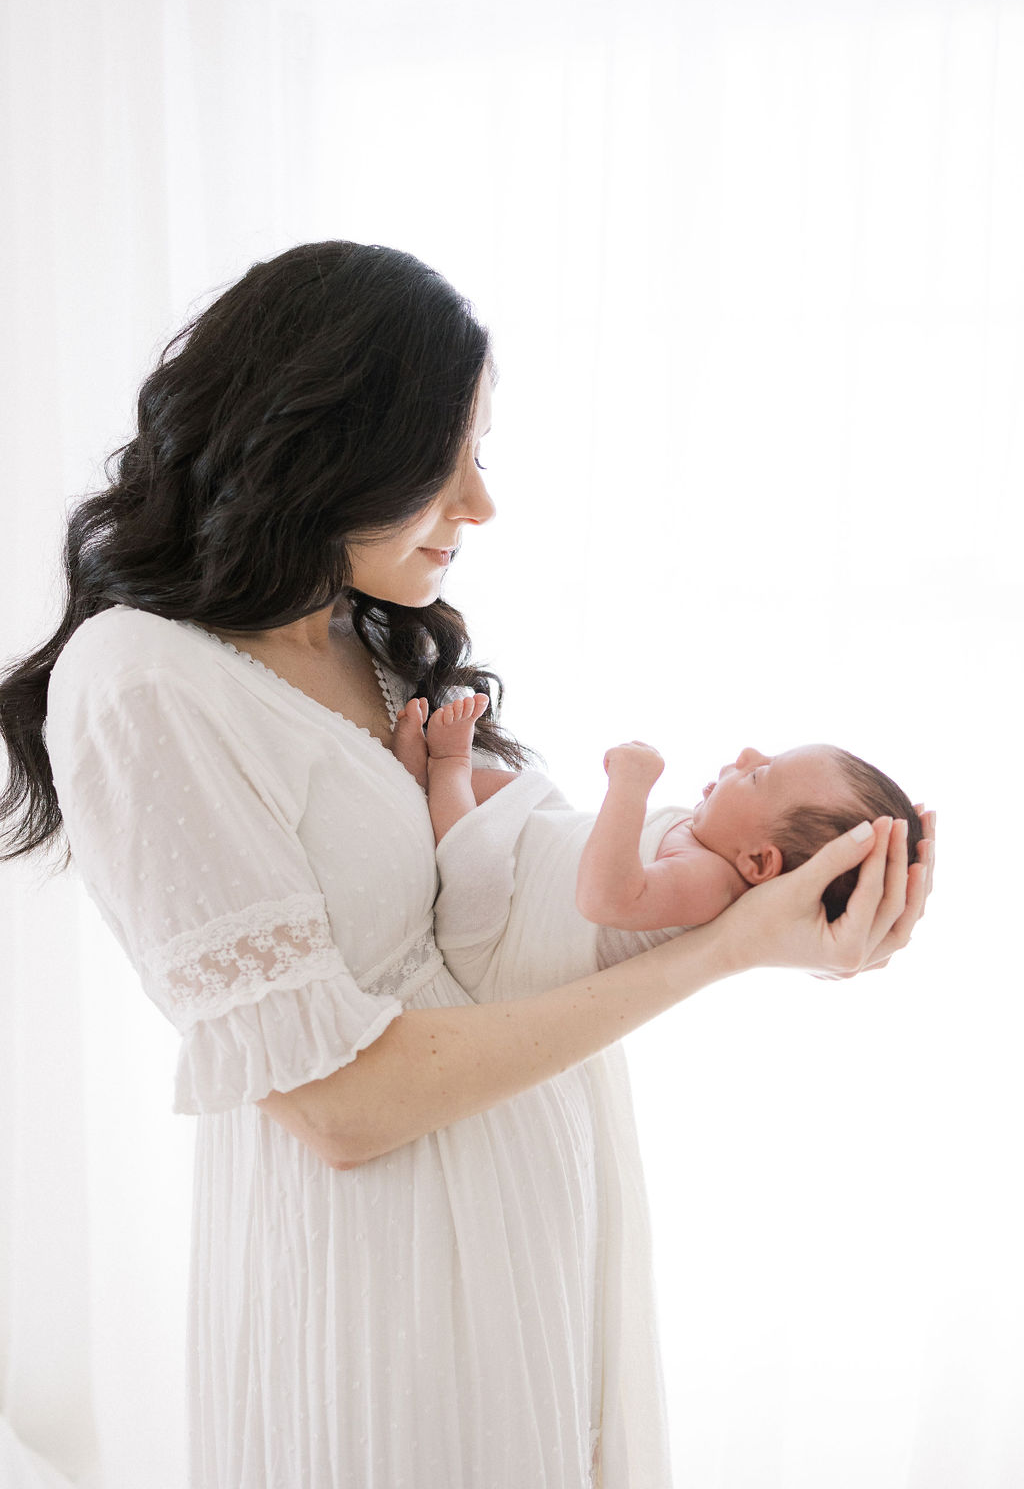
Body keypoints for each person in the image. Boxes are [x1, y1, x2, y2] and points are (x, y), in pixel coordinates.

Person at [0, 241, 934, 1489]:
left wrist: (795, 912)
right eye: (449, 461)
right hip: (378, 1266)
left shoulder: (368, 639)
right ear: (322, 444)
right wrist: (722, 950)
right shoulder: (140, 678)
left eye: (480, 455)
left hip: (540, 1201)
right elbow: (339, 1106)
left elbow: (506, 917)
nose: (481, 505)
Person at [395, 696, 924, 1008]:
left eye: (760, 774)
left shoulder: (709, 883)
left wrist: (629, 786)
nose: (746, 755)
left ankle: (445, 766)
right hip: (527, 890)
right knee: (528, 796)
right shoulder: (708, 847)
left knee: (479, 855)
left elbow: (605, 899)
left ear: (760, 864)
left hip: (493, 947)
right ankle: (427, 781)